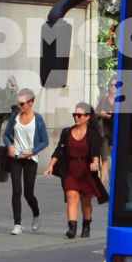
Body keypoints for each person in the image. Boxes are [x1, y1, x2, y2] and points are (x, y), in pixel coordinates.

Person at [45, 102, 106, 239]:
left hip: (85, 171)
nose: (76, 118)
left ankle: (86, 225)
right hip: (70, 169)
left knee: (86, 201)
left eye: (79, 115)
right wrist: (50, 165)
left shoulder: (93, 134)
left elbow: (95, 152)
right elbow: (59, 150)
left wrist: (95, 163)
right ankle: (72, 228)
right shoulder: (67, 132)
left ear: (87, 117)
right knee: (72, 197)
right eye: (75, 115)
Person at [1, 89, 48, 236]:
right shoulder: (15, 117)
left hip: (30, 159)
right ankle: (17, 224)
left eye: (22, 104)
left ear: (31, 102)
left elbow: (45, 141)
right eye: (18, 103)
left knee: (28, 193)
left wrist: (33, 151)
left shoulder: (38, 119)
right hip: (16, 158)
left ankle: (36, 214)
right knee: (16, 190)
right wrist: (9, 145)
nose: (19, 106)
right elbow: (6, 135)